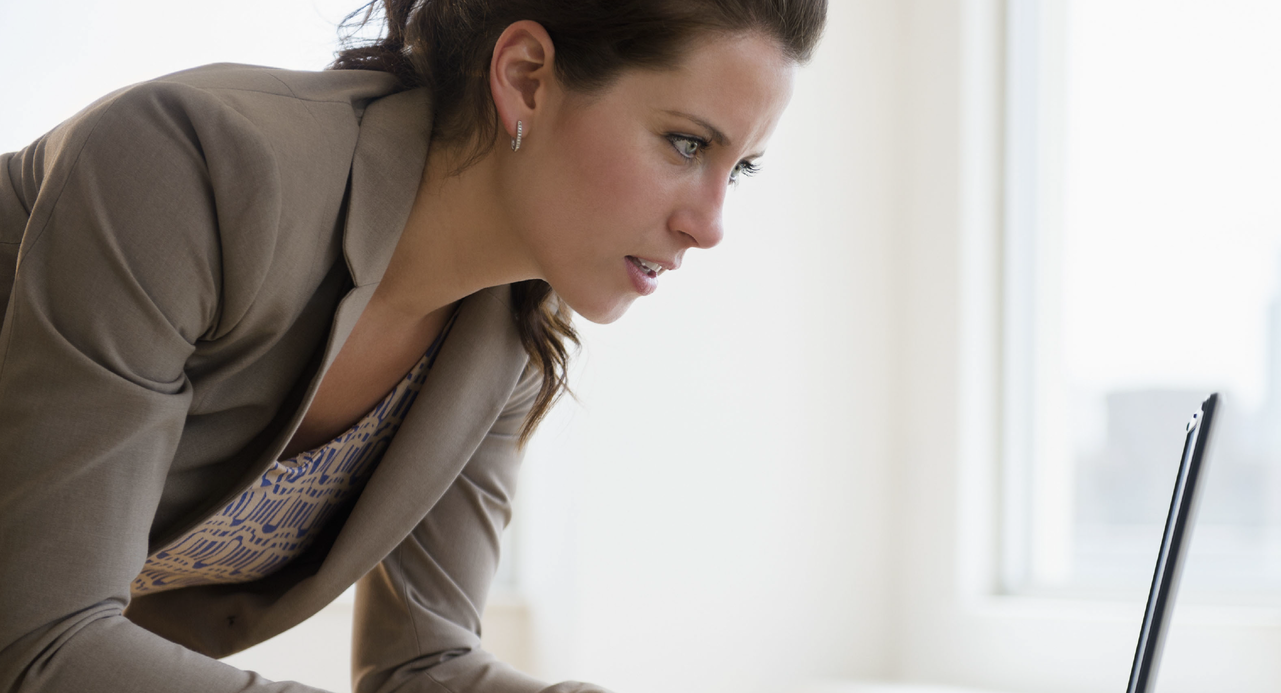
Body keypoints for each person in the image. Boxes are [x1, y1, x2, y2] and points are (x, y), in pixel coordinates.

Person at [0, 0, 826, 690]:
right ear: (526, 78)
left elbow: (421, 663)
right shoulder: (198, 169)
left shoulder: (503, 343)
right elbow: (42, 639)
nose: (710, 225)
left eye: (740, 168)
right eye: (687, 143)